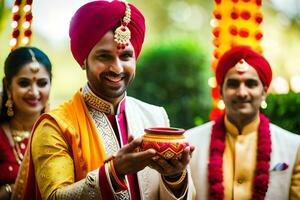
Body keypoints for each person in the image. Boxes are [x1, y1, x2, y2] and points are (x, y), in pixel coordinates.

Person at [12, 1, 195, 199]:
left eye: (125, 56)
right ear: (84, 61)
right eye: (104, 57)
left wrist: (175, 177)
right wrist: (114, 172)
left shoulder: (155, 117)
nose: (117, 68)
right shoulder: (56, 126)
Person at [186, 45, 300, 199]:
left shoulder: (293, 147)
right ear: (220, 92)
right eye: (233, 84)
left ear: (264, 92)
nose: (242, 93)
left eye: (251, 84)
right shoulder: (190, 143)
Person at [0, 46, 52, 200]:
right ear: (8, 86)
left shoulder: (61, 133)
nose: (34, 92)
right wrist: (11, 190)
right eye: (24, 83)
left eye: (42, 83)